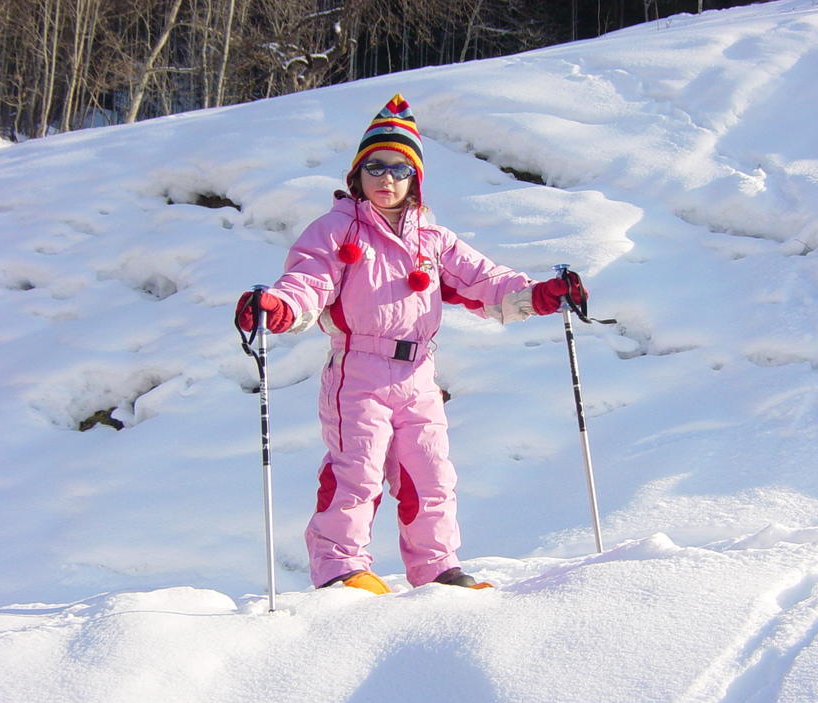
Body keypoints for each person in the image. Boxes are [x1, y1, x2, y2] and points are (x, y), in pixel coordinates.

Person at [236, 94, 584, 594]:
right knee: (357, 470)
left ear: (413, 178)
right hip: (360, 369)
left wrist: (544, 295)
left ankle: (437, 568)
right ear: (357, 174)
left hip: (419, 374)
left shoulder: (433, 238)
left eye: (398, 168)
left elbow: (487, 282)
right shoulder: (337, 230)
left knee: (430, 472)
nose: (386, 178)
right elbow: (308, 279)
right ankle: (340, 569)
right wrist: (281, 306)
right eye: (374, 166)